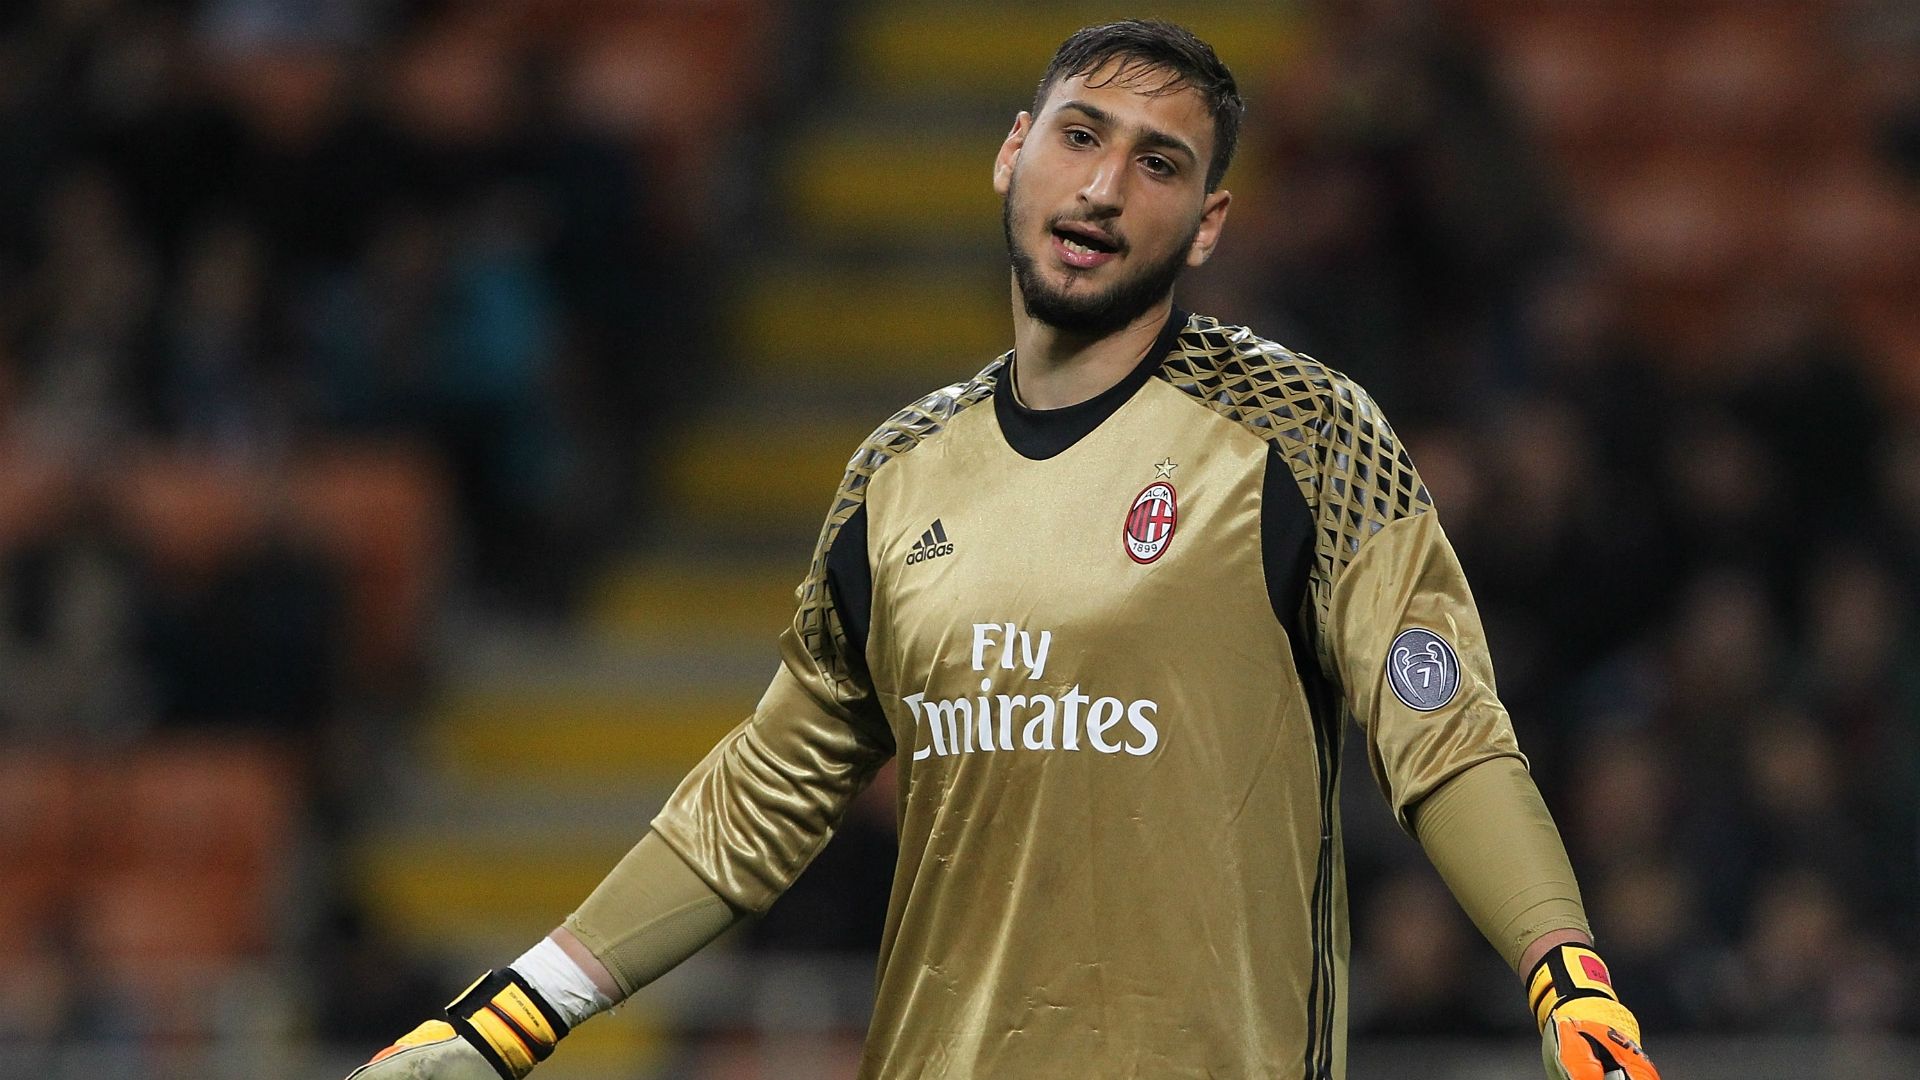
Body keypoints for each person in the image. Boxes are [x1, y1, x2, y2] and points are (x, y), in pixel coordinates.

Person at [349, 20, 1659, 1080]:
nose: (1102, 184)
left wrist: (1567, 979)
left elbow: (1447, 729)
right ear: (1011, 155)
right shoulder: (900, 471)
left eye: (1159, 162)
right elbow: (759, 800)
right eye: (1081, 137)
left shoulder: (1308, 435)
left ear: (1207, 226)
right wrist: (513, 1018)